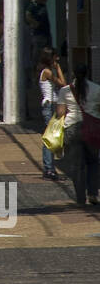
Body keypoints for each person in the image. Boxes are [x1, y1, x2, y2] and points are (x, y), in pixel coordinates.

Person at [58, 67, 100, 206]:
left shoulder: (65, 90)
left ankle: (80, 198)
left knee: (77, 166)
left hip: (72, 128)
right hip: (93, 129)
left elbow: (60, 113)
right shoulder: (96, 89)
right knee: (93, 162)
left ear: (73, 74)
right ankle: (93, 194)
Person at [38, 47, 66, 180]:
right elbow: (63, 84)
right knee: (49, 138)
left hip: (52, 105)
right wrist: (59, 68)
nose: (58, 59)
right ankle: (48, 168)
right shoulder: (48, 72)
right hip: (49, 106)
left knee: (53, 137)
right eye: (55, 57)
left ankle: (50, 167)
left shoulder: (46, 70)